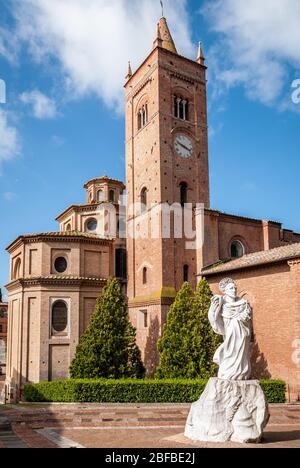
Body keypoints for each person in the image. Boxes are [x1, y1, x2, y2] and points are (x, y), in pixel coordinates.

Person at [208, 278, 252, 380]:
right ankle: (228, 372)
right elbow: (213, 316)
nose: (234, 290)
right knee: (229, 353)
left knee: (241, 354)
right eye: (231, 288)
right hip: (230, 334)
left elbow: (247, 317)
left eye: (235, 288)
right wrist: (213, 308)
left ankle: (241, 372)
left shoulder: (243, 302)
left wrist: (243, 317)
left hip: (243, 334)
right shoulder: (221, 302)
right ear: (225, 291)